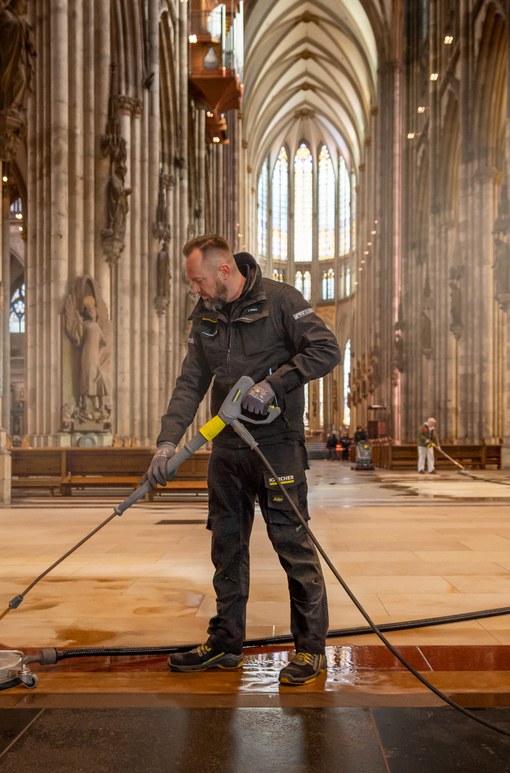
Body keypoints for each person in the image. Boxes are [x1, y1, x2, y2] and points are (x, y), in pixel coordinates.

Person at [143, 234, 341, 686]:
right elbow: (190, 382)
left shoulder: (281, 301)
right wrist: (167, 443)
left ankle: (310, 650)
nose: (194, 289)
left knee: (293, 545)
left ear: (224, 272)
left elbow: (325, 349)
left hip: (276, 446)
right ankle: (226, 643)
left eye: (198, 281)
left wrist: (275, 384)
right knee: (226, 548)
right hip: (228, 447)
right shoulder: (206, 315)